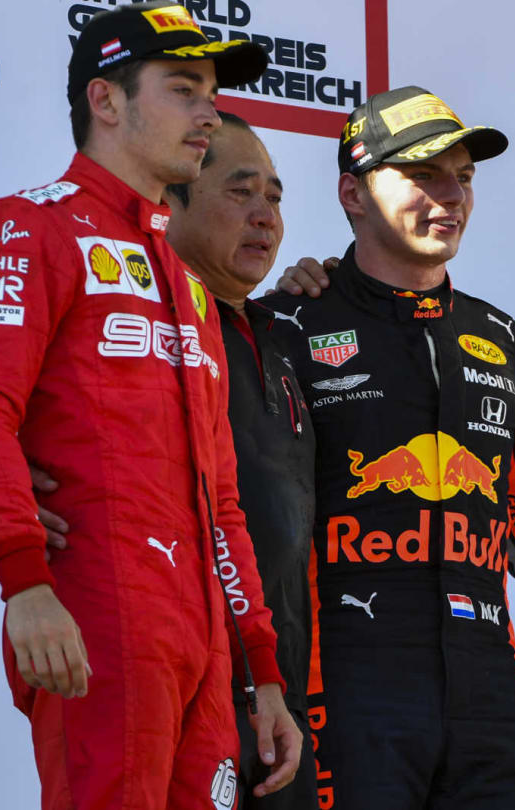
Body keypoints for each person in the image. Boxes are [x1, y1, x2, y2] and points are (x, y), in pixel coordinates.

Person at [0, 4, 297, 807]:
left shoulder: (192, 288)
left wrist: (259, 663)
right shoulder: (27, 230)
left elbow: (220, 499)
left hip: (203, 642)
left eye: (211, 94)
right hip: (96, 608)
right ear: (106, 101)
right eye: (184, 89)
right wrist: (24, 582)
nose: (208, 114)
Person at [258, 86, 515, 809]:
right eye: (423, 175)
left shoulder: (497, 334)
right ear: (353, 193)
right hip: (345, 682)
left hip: (488, 687)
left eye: (464, 176)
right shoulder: (283, 322)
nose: (451, 196)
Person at [36, 112, 315, 807]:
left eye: (275, 199)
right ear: (174, 197)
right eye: (240, 193)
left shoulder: (290, 329)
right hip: (155, 658)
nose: (264, 218)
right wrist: (18, 475)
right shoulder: (119, 323)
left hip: (271, 682)